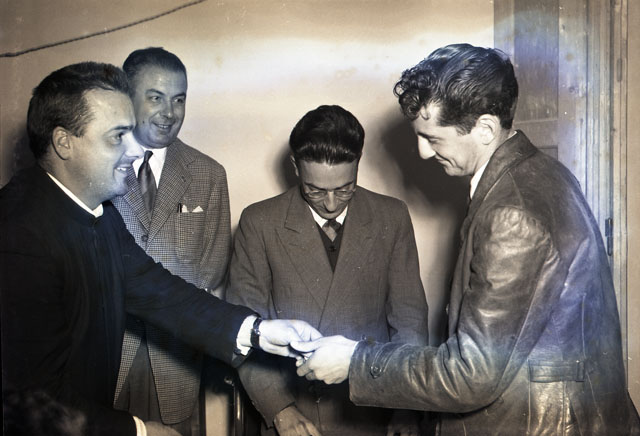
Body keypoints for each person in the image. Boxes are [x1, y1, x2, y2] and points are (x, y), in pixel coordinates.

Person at [294, 44, 640, 434]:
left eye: (433, 139)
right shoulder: (540, 173)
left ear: (486, 129)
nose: (423, 153)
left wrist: (356, 361)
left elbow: (470, 374)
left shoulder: (511, 214)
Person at [0, 61, 320, 436]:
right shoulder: (18, 237)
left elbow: (161, 292)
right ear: (63, 143)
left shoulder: (98, 213)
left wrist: (257, 331)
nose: (135, 151)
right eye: (118, 137)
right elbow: (35, 401)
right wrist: (140, 431)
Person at [226, 105, 429, 436]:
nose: (332, 204)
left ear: (358, 163)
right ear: (295, 167)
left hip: (372, 410)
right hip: (294, 413)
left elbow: (409, 322)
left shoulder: (391, 217)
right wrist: (280, 410)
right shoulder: (259, 222)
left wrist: (405, 406)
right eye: (316, 190)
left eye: (345, 188)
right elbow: (245, 327)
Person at [110, 47, 231, 436]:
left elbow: (212, 268)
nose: (169, 112)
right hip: (107, 352)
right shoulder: (100, 166)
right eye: (155, 97)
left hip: (176, 360)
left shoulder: (208, 174)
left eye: (179, 99)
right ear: (126, 96)